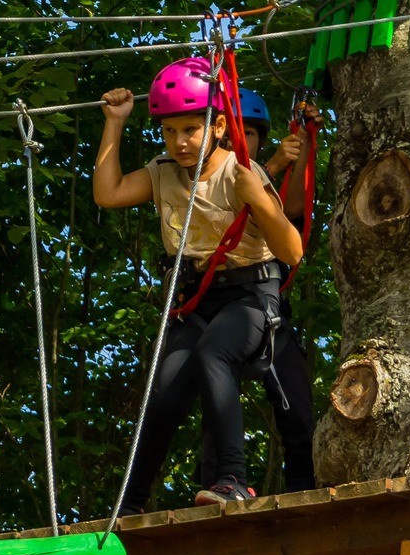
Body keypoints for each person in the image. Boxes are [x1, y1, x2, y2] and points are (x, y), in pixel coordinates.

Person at [92, 59, 308, 513]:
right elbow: (108, 194)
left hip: (250, 295)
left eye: (191, 129)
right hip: (196, 300)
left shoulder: (240, 172)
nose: (180, 142)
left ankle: (233, 479)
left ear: (219, 126)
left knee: (215, 352)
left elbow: (291, 251)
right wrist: (115, 123)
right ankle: (130, 503)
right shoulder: (163, 171)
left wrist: (258, 199)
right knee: (165, 391)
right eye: (169, 132)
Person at [192, 87, 320, 497]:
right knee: (217, 403)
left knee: (295, 406)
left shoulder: (257, 177)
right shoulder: (205, 180)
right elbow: (230, 198)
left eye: (247, 134)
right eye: (231, 134)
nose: (238, 143)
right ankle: (219, 486)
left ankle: (303, 488)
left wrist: (304, 146)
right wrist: (275, 163)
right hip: (216, 305)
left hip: (263, 307)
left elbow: (291, 208)